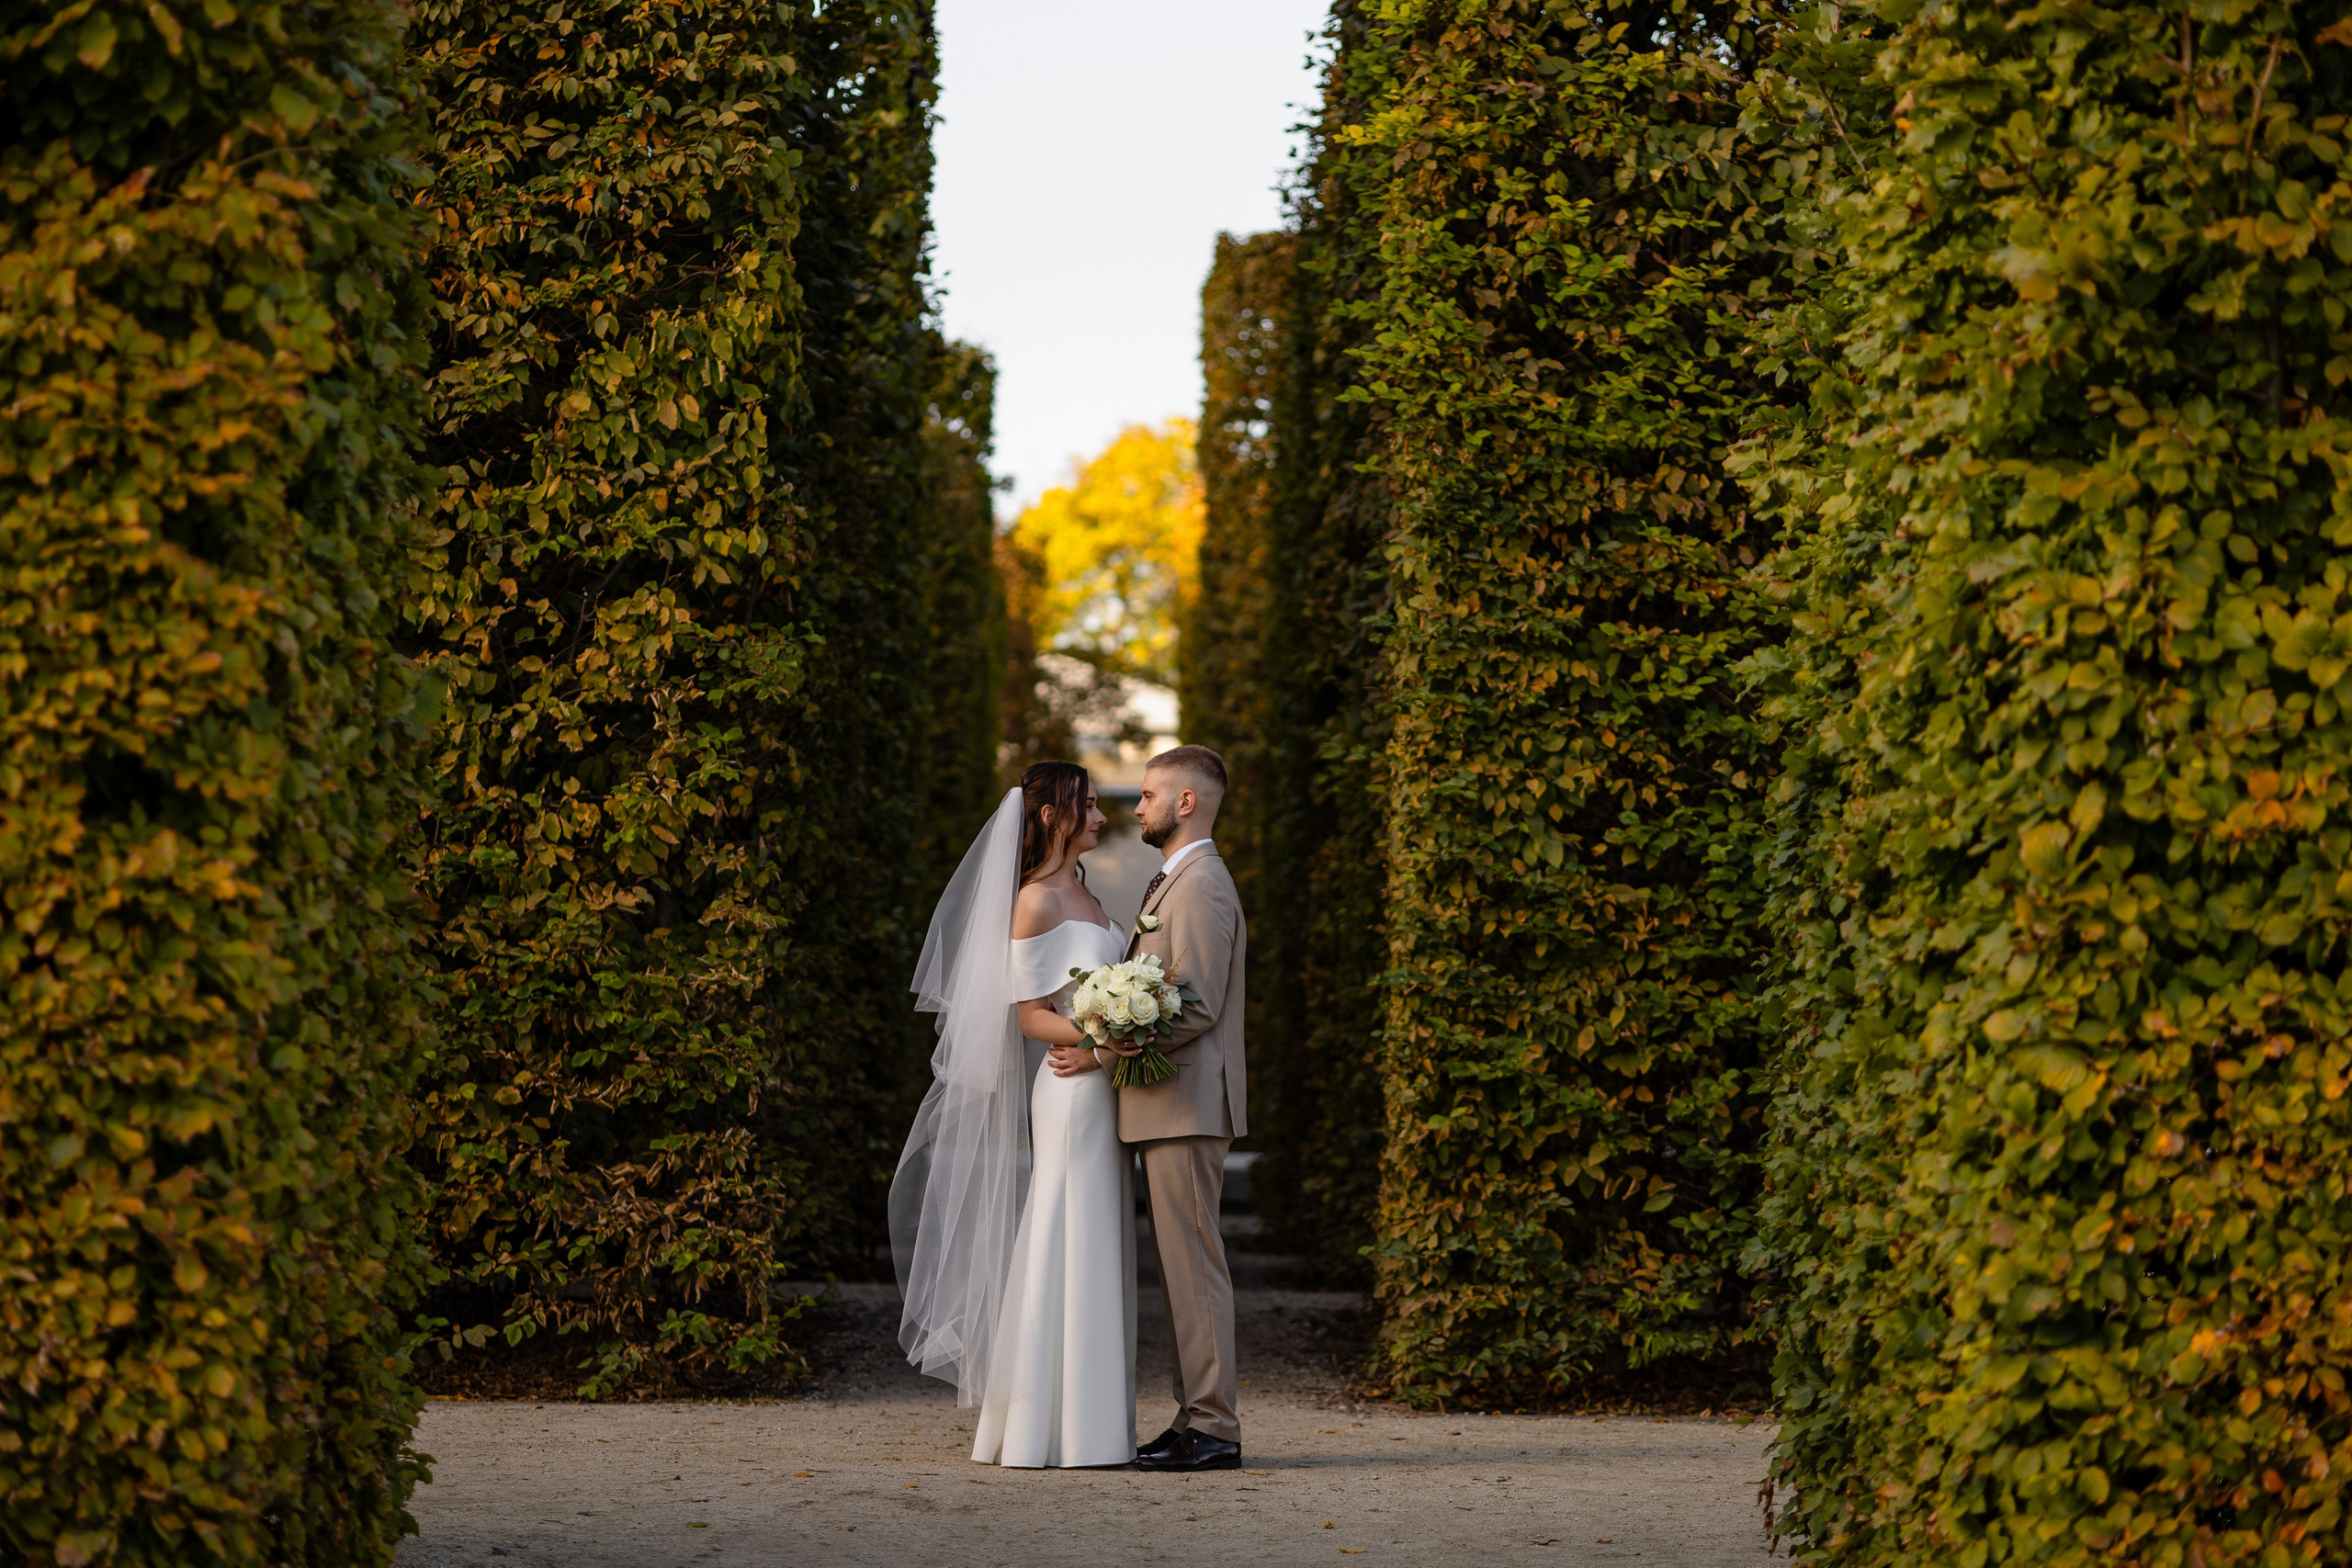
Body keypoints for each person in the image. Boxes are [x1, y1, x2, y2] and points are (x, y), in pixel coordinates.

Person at [889, 762, 1136, 1468]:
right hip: (1070, 1089)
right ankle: (1041, 1427)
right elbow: (1031, 1016)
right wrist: (1104, 1040)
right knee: (1066, 1229)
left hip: (1102, 1083)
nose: (1099, 815)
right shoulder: (1033, 900)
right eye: (1087, 806)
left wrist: (1115, 1042)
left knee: (1100, 1236)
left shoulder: (1085, 891)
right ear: (1054, 816)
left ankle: (1093, 1424)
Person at [1070, 743, 1249, 1473]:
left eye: (1147, 794)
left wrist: (1102, 1048)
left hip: (1188, 1101)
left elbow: (1197, 1003)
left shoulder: (1201, 882)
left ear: (1186, 802)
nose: (1135, 806)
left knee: (1195, 1265)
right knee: (1181, 1267)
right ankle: (1191, 1420)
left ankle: (1214, 1428)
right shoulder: (1174, 879)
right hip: (1169, 1102)